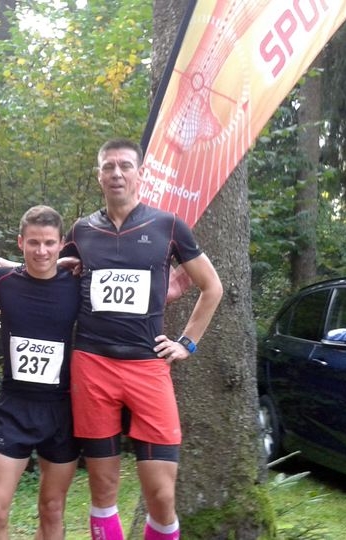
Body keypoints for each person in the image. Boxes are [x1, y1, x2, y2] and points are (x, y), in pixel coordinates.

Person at [62, 138, 223, 540]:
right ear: (98, 175)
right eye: (108, 167)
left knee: (162, 495)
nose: (116, 173)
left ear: (141, 174)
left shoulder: (168, 226)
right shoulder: (81, 231)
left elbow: (212, 287)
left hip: (148, 367)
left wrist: (186, 343)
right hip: (92, 365)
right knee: (102, 489)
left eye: (125, 166)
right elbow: (56, 278)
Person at [0, 205, 81, 540]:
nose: (41, 251)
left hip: (62, 410)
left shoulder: (77, 286)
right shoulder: (3, 282)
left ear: (61, 244)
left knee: (52, 509)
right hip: (15, 408)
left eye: (49, 243)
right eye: (33, 242)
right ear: (21, 242)